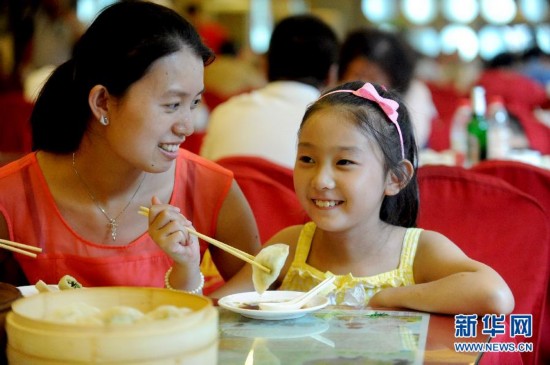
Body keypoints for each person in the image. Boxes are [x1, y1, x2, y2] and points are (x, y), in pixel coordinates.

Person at [0, 1, 261, 294]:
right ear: (102, 102)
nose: (187, 127)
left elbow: (260, 280)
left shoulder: (208, 186)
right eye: (172, 104)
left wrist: (198, 309)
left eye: (195, 103)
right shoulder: (12, 194)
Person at [213, 81, 514, 315]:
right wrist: (188, 269)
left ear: (395, 178)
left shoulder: (416, 251)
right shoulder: (291, 246)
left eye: (344, 162)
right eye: (307, 159)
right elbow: (223, 305)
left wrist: (388, 297)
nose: (320, 180)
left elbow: (495, 296)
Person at [200, 14, 339, 169]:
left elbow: (203, 180)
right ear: (331, 75)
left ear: (265, 66)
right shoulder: (338, 129)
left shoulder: (224, 113)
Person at [338, 27, 437, 150]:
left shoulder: (415, 91)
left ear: (394, 80)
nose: (364, 84)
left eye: (373, 77)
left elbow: (412, 141)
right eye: (357, 74)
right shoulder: (335, 94)